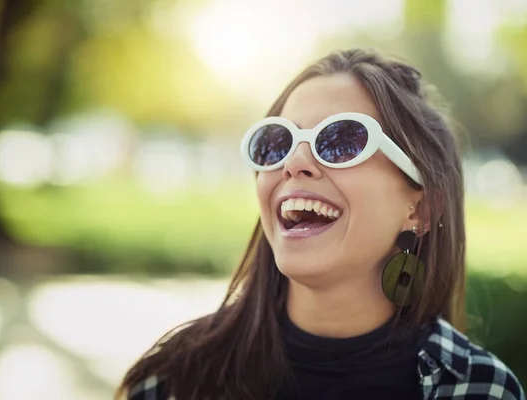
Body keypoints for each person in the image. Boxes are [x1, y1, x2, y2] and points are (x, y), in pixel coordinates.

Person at [116, 48, 525, 400]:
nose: (293, 163)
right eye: (276, 142)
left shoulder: (480, 389)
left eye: (342, 140)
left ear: (420, 210)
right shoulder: (174, 380)